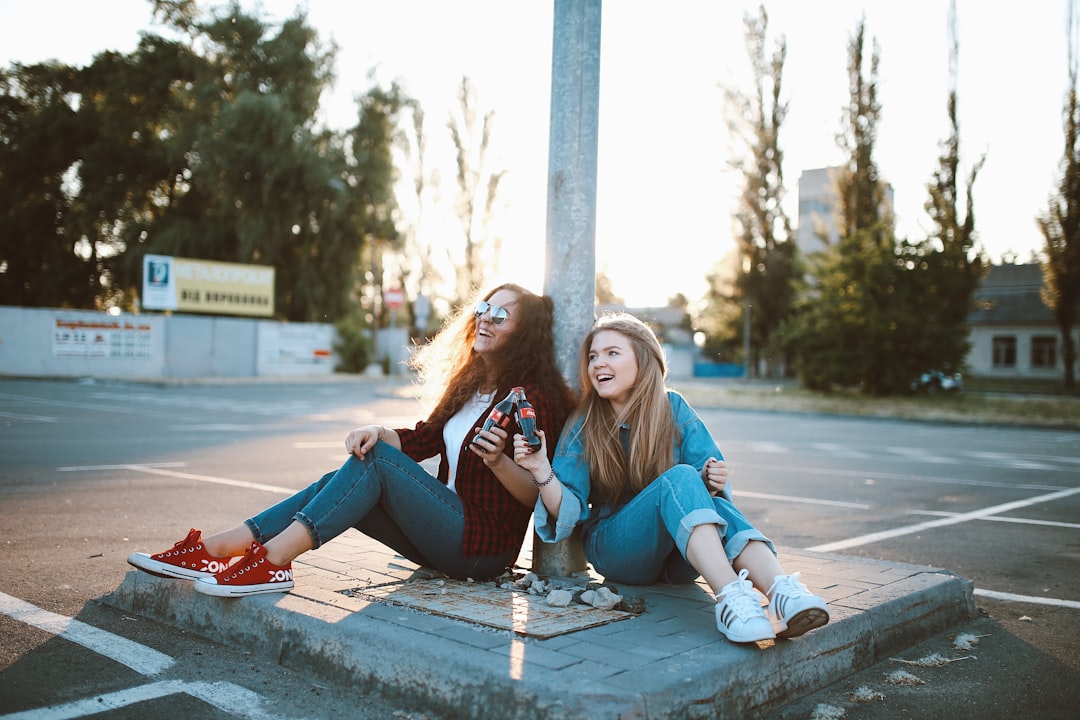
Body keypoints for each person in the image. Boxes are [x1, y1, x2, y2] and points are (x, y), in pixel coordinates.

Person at [128, 283, 577, 597]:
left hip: (482, 549)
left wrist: (499, 462)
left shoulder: (532, 399)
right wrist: (378, 432)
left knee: (374, 464)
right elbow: (422, 440)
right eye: (483, 309)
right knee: (346, 475)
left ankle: (270, 561)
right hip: (442, 533)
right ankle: (218, 549)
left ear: (526, 334)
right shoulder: (470, 383)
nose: (485, 319)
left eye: (501, 315)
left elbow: (534, 495)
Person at [513, 312, 829, 644]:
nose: (597, 364)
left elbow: (716, 498)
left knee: (704, 492)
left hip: (680, 560)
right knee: (680, 477)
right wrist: (540, 469)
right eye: (593, 356)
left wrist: (710, 479)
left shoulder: (674, 408)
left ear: (643, 360)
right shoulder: (584, 422)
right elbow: (570, 509)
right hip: (616, 549)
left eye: (611, 353)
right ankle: (732, 600)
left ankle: (783, 593)